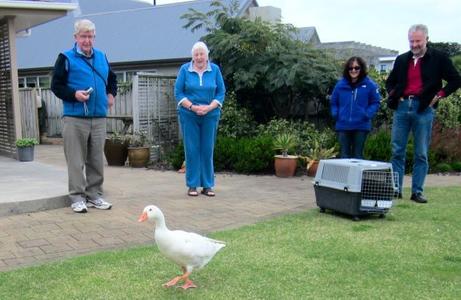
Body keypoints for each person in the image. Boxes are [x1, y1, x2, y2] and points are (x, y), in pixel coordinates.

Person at [386, 24, 461, 203]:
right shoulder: (402, 59)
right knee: (397, 150)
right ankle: (396, 189)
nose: (414, 44)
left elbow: (455, 80)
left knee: (421, 152)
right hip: (403, 108)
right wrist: (394, 95)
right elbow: (390, 82)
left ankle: (417, 191)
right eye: (411, 41)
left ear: (426, 39)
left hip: (424, 108)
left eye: (418, 41)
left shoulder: (439, 58)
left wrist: (439, 95)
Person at [51, 19, 118, 213]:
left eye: (90, 36)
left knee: (96, 159)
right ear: (76, 37)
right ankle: (77, 197)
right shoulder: (65, 58)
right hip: (74, 118)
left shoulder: (102, 56)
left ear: (94, 37)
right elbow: (56, 86)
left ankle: (95, 195)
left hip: (98, 117)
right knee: (76, 160)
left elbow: (111, 79)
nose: (87, 40)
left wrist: (111, 94)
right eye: (83, 36)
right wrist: (74, 95)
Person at [174, 41, 226, 197]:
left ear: (207, 55)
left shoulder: (215, 70)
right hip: (189, 114)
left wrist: (209, 107)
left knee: (207, 149)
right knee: (192, 149)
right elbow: (178, 92)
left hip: (210, 114)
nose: (199, 57)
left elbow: (221, 92)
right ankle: (192, 185)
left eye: (201, 53)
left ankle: (207, 186)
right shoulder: (185, 69)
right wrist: (192, 107)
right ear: (192, 56)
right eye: (196, 54)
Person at [330, 56, 381, 159]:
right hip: (343, 126)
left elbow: (375, 102)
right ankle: (344, 176)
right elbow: (334, 102)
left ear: (361, 69)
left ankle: (356, 176)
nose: (353, 70)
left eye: (356, 68)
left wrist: (367, 114)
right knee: (344, 156)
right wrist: (336, 114)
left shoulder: (370, 85)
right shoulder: (340, 85)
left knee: (358, 156)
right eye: (351, 68)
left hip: (361, 126)